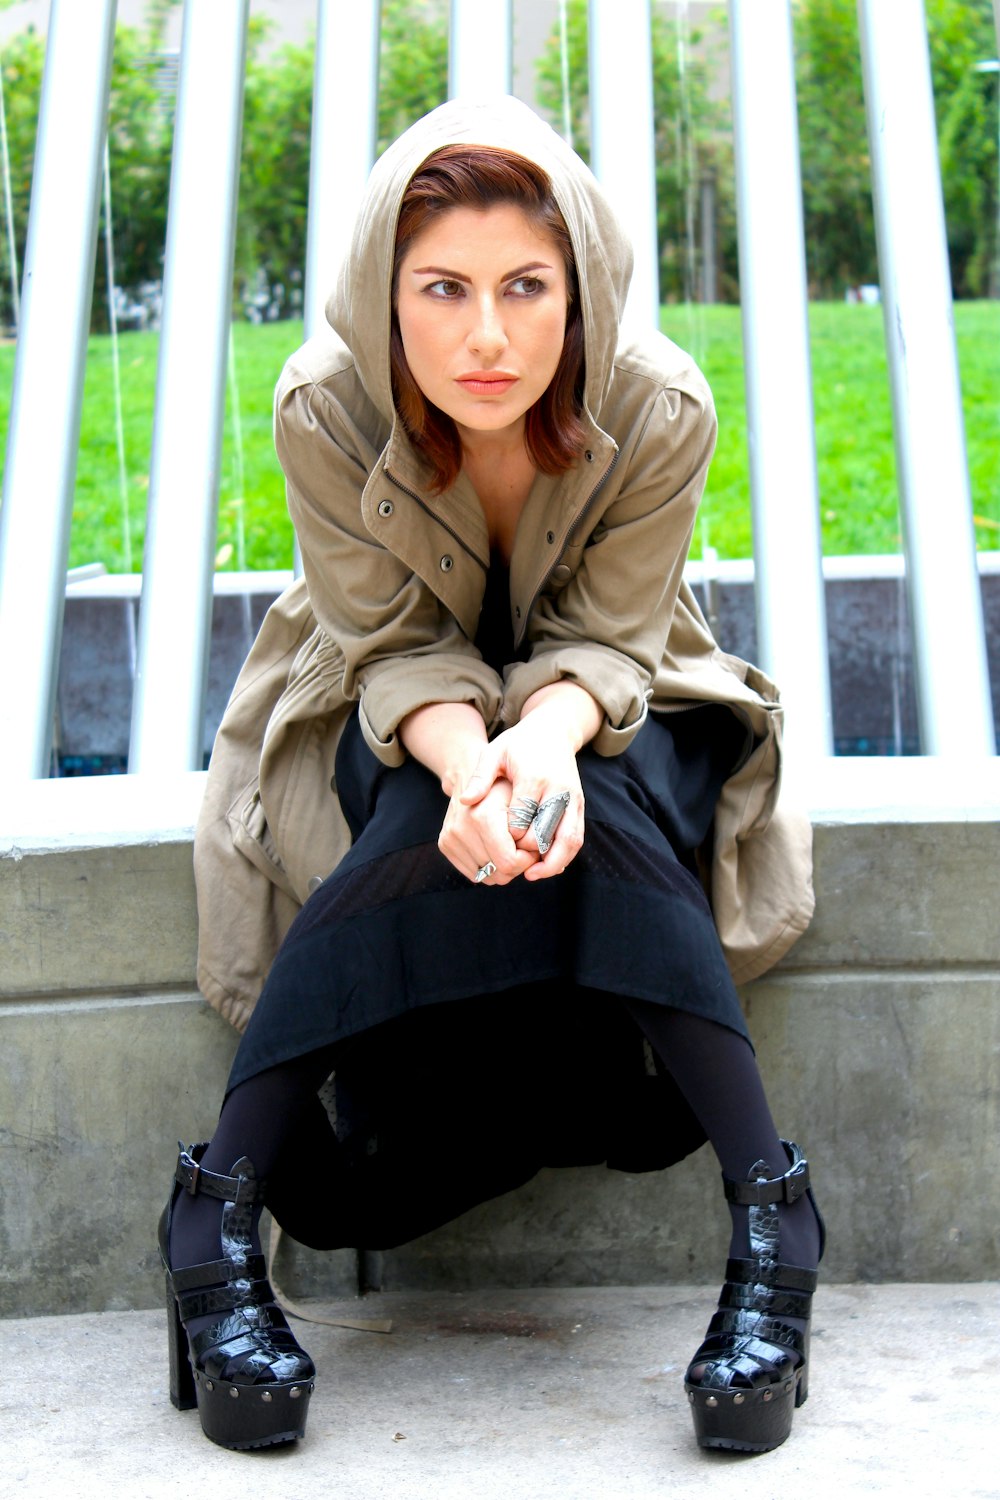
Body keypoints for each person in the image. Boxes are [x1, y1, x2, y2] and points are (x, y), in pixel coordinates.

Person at [161, 96, 822, 1456]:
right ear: (381, 291)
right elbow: (394, 648)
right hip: (392, 706)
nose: (487, 335)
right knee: (422, 801)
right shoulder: (326, 409)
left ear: (577, 289)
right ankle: (778, 1207)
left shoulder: (657, 404)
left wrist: (548, 735)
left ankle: (207, 1209)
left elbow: (619, 638)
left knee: (616, 799)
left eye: (527, 288)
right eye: (442, 289)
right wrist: (480, 764)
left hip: (628, 706)